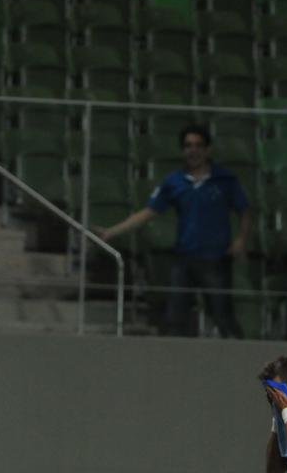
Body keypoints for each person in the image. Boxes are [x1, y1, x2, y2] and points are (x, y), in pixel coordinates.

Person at [96, 124, 251, 338]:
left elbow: (244, 210)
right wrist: (112, 232)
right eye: (188, 146)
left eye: (198, 145)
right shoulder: (174, 181)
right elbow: (149, 212)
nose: (192, 150)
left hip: (216, 259)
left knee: (223, 316)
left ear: (208, 150)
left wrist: (241, 239)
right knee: (175, 318)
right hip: (185, 259)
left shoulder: (225, 180)